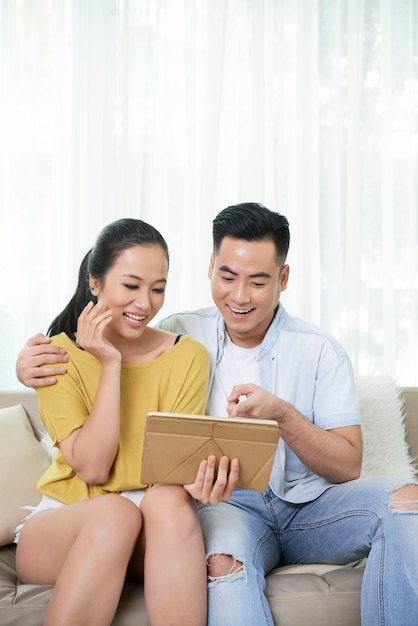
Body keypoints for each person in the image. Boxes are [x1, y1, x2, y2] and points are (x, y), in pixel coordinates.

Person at [16, 204, 418, 626]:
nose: (240, 296)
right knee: (205, 549)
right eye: (227, 277)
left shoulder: (312, 351)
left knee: (408, 500)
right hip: (227, 510)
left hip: (311, 506)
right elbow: (111, 367)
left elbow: (348, 465)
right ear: (210, 268)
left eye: (258, 281)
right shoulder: (179, 331)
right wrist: (26, 363)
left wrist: (281, 415)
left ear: (283, 279)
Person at [14, 217, 238, 626]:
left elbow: (172, 467)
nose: (145, 303)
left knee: (170, 498)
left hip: (149, 526)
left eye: (158, 289)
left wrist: (208, 477)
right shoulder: (56, 356)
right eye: (131, 286)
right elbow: (94, 468)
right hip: (67, 521)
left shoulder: (187, 356)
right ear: (95, 283)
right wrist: (110, 364)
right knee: (115, 512)